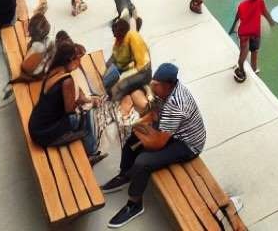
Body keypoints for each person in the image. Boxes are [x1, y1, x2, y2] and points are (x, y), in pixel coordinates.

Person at [101, 63, 208, 228]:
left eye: (155, 84)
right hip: (170, 131)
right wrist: (137, 127)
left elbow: (157, 144)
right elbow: (154, 114)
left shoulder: (177, 105)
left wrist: (135, 128)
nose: (151, 85)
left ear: (166, 85)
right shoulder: (165, 91)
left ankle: (134, 204)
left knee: (143, 161)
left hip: (187, 144)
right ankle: (125, 174)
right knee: (131, 143)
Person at [29, 41, 105, 165]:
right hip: (44, 134)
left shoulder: (53, 71)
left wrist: (85, 99)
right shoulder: (66, 81)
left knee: (85, 108)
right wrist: (86, 103)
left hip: (35, 125)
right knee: (87, 114)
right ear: (70, 59)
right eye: (78, 60)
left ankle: (86, 143)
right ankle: (91, 152)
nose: (79, 64)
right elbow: (70, 111)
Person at [231, 0, 276, 82]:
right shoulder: (260, 2)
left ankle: (241, 68)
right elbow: (265, 13)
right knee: (254, 51)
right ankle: (254, 69)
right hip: (255, 34)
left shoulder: (242, 5)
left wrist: (234, 26)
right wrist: (271, 22)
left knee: (243, 53)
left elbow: (238, 16)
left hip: (244, 34)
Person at [102, 16, 153, 102]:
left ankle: (114, 105)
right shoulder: (119, 39)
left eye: (117, 35)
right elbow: (115, 56)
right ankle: (107, 95)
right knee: (107, 79)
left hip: (142, 71)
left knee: (120, 87)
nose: (115, 37)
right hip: (126, 67)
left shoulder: (134, 39)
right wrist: (106, 68)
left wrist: (123, 76)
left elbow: (141, 66)